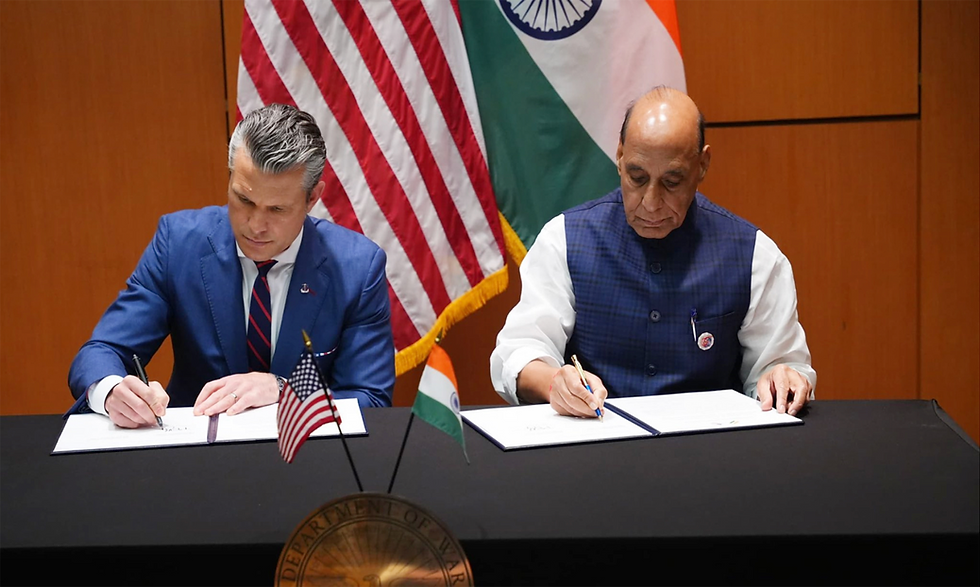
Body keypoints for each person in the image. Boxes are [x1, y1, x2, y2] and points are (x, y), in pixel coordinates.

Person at [490, 87, 815, 418]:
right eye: (637, 177)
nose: (650, 202)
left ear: (702, 165)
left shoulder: (754, 255)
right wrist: (554, 381)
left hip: (710, 452)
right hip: (595, 445)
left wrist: (780, 376)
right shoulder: (564, 239)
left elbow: (780, 366)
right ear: (619, 156)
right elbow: (518, 352)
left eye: (672, 182)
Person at [68, 104, 395, 428]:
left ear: (312, 199)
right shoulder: (178, 244)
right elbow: (102, 350)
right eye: (244, 200)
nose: (255, 225)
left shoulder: (357, 268)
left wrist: (286, 390)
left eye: (277, 209)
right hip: (196, 459)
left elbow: (370, 399)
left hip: (308, 460)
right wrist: (111, 391)